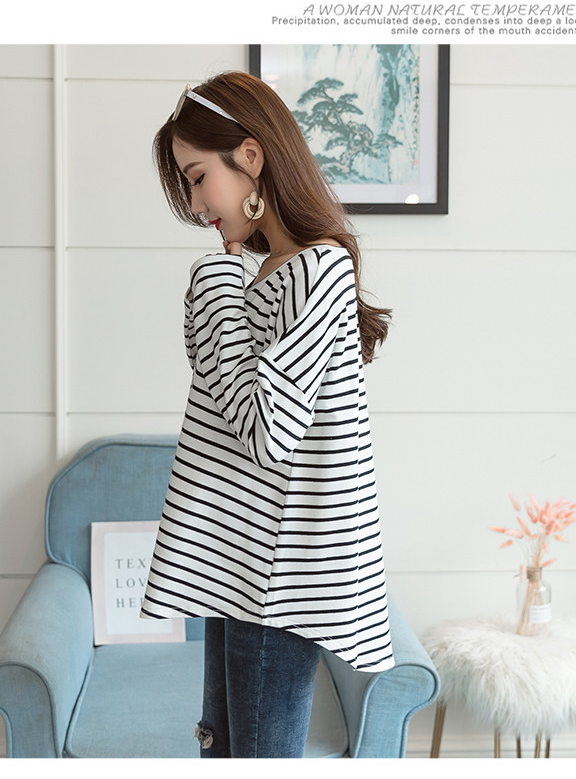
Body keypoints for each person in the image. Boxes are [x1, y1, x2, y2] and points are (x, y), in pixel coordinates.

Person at [140, 71, 394, 758]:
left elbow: (265, 431)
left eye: (198, 178)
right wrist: (225, 279)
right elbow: (218, 387)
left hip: (278, 581)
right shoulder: (270, 272)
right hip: (242, 564)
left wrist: (217, 276)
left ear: (250, 157)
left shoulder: (318, 269)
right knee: (224, 748)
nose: (197, 204)